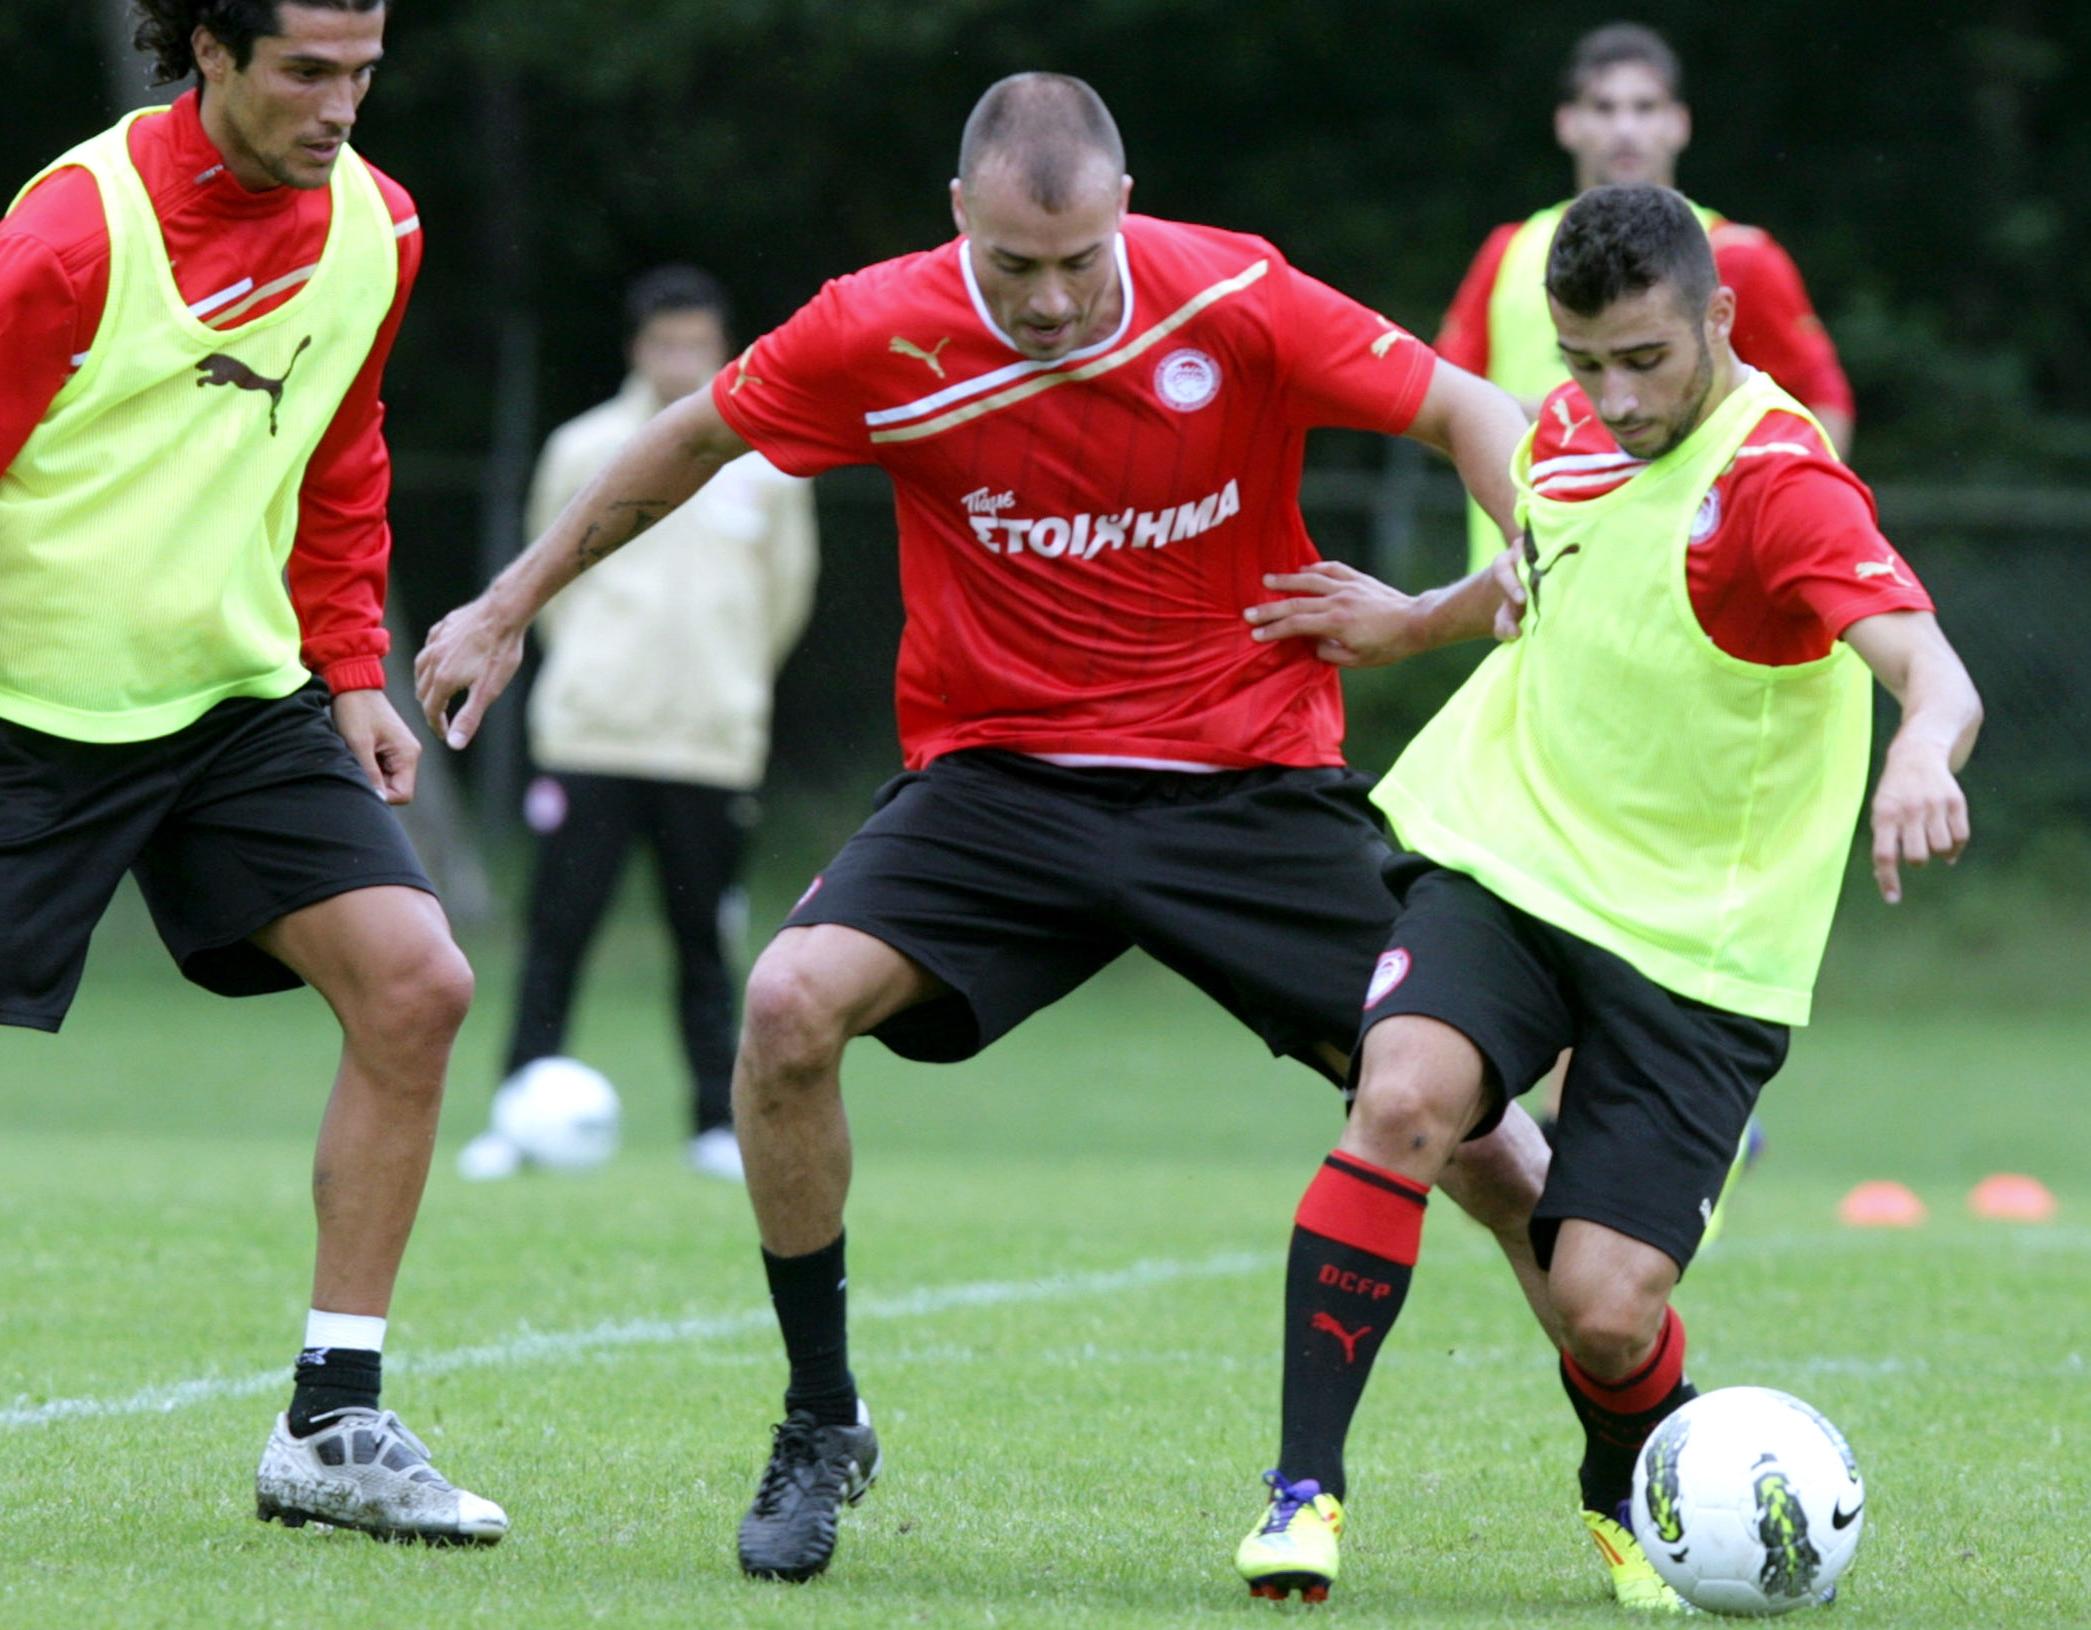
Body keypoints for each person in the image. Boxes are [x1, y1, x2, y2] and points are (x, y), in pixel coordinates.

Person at [417, 71, 1561, 1585]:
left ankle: (1637, 1439)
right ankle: (821, 1419)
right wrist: (507, 604)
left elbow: (1469, 405)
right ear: (958, 216)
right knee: (786, 1005)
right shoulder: (875, 329)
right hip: (999, 787)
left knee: (1478, 1137)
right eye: (1014, 264)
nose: (1050, 299)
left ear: (1124, 211)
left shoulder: (1231, 295)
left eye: (1079, 260)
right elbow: (692, 440)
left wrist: (1500, 572)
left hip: (1242, 781)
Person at [1232, 184, 1979, 1610]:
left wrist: (1919, 755)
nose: (1612, 396)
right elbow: (1536, 571)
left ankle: (1624, 1485)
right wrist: (1414, 620)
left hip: (1695, 943)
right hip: (1507, 858)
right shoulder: (1568, 430)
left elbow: (1929, 668)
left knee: (1604, 1307)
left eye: (1643, 359)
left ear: (1716, 317)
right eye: (1584, 360)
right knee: (1400, 1099)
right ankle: (1301, 1493)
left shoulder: (1780, 484)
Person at [0, 0, 504, 1543]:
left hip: (231, 699)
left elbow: (341, 453)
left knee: (416, 983)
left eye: (362, 71)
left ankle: (332, 1421)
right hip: (27, 706)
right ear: (209, 49)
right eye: (306, 71)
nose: (340, 105)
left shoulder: (378, 226)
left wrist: (349, 666)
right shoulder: (70, 236)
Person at [455, 265, 818, 1184]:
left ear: (721, 345)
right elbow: (543, 579)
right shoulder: (582, 447)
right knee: (558, 933)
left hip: (711, 746)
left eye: (697, 344)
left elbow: (785, 595)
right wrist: (596, 672)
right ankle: (517, 1113)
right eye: (664, 344)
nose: (680, 360)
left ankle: (716, 1124)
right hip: (593, 737)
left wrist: (730, 685)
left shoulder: (769, 460)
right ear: (637, 349)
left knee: (707, 945)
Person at [1437, 22, 1855, 575]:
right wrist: (1559, 448)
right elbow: (1440, 406)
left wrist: (1790, 529)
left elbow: (1821, 404)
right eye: (1604, 108)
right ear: (1567, 123)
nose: (1625, 128)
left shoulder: (1735, 255)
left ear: (1679, 123)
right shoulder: (1508, 252)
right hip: (1521, 591)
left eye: (1644, 107)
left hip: (1681, 590)